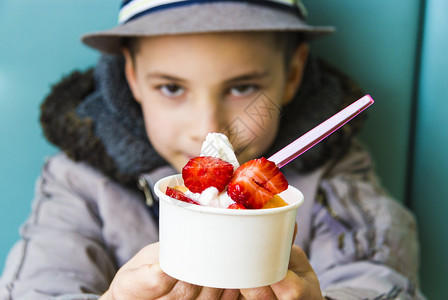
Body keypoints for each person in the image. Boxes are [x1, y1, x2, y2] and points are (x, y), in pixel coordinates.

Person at [0, 1, 426, 299]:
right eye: (171, 88)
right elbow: (37, 287)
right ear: (132, 77)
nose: (208, 128)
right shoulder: (78, 181)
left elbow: (384, 279)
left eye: (243, 87)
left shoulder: (334, 176)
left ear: (293, 74)